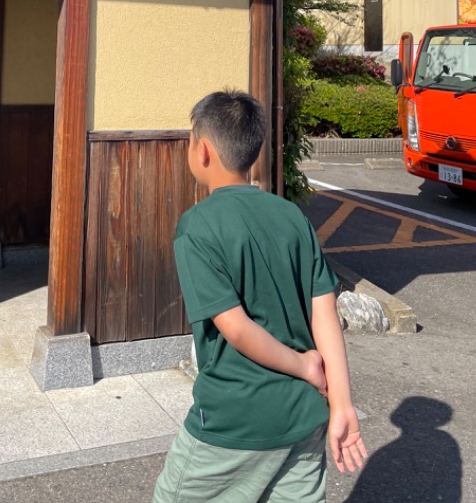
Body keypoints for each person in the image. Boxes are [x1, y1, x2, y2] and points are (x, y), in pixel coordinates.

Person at [153, 89, 366, 503]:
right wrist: (342, 404)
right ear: (257, 149)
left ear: (204, 151)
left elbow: (234, 327)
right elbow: (325, 315)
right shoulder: (292, 216)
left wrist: (304, 366)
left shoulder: (197, 227)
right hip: (305, 419)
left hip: (234, 419)